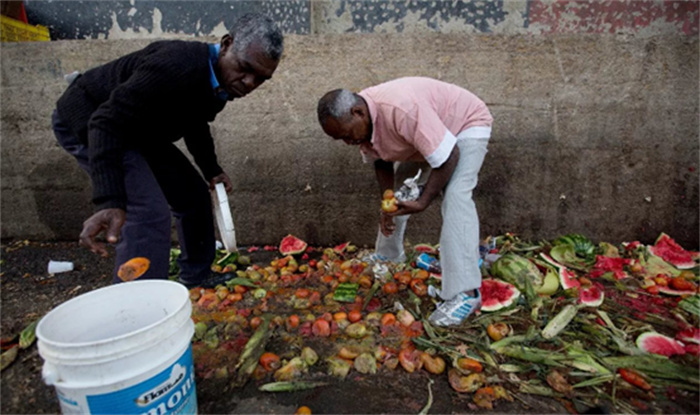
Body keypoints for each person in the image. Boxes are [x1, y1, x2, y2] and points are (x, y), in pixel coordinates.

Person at [52, 13, 283, 288]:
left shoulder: (220, 84)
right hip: (91, 120)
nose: (248, 83)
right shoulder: (176, 65)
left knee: (193, 195)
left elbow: (195, 122)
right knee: (147, 211)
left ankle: (196, 276)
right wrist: (110, 199)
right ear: (226, 44)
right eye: (245, 68)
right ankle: (139, 305)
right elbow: (105, 122)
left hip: (139, 130)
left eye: (260, 79)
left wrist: (211, 169)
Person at [317, 77, 493, 326]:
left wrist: (423, 201)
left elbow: (449, 155)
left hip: (464, 124)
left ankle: (465, 293)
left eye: (347, 135)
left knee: (455, 195)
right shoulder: (363, 120)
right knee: (399, 193)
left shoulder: (402, 109)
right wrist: (386, 201)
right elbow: (381, 158)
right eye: (341, 139)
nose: (348, 142)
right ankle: (389, 256)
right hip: (429, 134)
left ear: (358, 112)